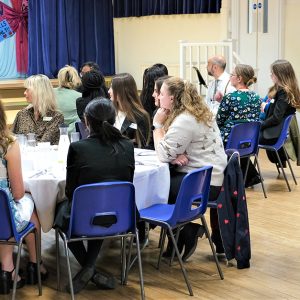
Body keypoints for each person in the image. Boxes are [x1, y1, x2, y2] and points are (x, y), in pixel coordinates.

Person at [54, 98, 134, 294]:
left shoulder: (78, 148)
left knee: (60, 214)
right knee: (99, 207)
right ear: (114, 120)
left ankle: (88, 268)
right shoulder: (127, 145)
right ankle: (91, 269)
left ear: (86, 121)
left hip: (88, 215)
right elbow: (126, 182)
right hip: (122, 215)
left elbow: (70, 191)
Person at [152, 77, 227, 260]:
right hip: (210, 176)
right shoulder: (199, 112)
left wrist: (157, 125)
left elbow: (162, 154)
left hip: (204, 184)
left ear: (172, 99)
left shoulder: (185, 119)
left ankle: (184, 232)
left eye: (161, 94)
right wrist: (175, 154)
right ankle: (182, 234)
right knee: (166, 183)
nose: (158, 97)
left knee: (158, 188)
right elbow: (174, 150)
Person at [0, 101, 47, 295]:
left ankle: (8, 267)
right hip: (3, 217)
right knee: (27, 201)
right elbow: (18, 193)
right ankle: (32, 266)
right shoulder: (8, 145)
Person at [216, 64, 261, 187]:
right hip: (248, 143)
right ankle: (249, 177)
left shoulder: (230, 97)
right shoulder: (257, 97)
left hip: (229, 141)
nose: (230, 77)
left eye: (232, 75)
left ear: (239, 78)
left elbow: (219, 121)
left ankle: (215, 181)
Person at [259, 59, 300, 165]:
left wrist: (260, 126)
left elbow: (276, 118)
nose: (270, 75)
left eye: (273, 73)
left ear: (280, 74)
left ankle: (248, 175)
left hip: (273, 135)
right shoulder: (288, 90)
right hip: (276, 132)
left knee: (244, 139)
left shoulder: (283, 92)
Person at [12, 75, 64, 145]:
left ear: (39, 91)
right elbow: (12, 139)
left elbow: (45, 143)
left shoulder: (56, 117)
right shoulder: (22, 114)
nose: (24, 93)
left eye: (28, 89)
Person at [108, 73, 151, 148]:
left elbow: (142, 145)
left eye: (111, 88)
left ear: (121, 91)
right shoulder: (109, 111)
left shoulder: (140, 116)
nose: (108, 91)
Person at [54, 65, 82, 134]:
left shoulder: (50, 93)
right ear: (76, 78)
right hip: (73, 134)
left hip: (52, 132)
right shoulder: (79, 96)